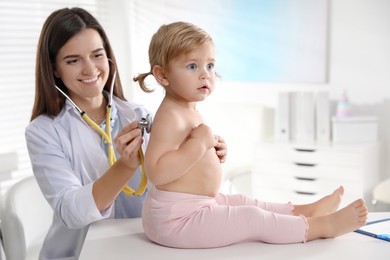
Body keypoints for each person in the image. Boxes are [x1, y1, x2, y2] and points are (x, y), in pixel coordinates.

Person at [133, 21, 368, 248]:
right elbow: (158, 172)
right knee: (250, 217)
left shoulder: (186, 109)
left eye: (210, 65)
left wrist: (211, 150)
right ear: (163, 75)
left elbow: (187, 157)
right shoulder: (169, 116)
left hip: (195, 205)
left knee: (243, 202)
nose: (205, 75)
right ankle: (321, 226)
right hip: (175, 221)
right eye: (192, 66)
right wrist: (197, 144)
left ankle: (304, 210)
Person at [25, 7, 150, 259]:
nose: (90, 69)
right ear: (54, 70)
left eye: (97, 55)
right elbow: (71, 211)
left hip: (138, 249)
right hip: (78, 254)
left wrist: (202, 149)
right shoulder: (43, 132)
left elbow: (170, 180)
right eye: (73, 60)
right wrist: (124, 167)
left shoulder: (139, 115)